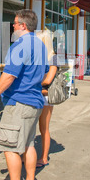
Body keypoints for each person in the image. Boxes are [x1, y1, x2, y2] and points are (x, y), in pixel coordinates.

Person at [0, 10, 49, 180]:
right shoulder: (40, 45)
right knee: (28, 144)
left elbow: (9, 75)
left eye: (15, 23)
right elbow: (46, 71)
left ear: (23, 25)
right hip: (35, 101)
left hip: (19, 102)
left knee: (11, 147)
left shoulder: (20, 46)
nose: (13, 26)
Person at [36, 30, 58, 169]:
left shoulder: (52, 57)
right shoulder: (38, 56)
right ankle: (29, 154)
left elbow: (48, 79)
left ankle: (44, 157)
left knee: (43, 128)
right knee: (31, 128)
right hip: (36, 93)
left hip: (45, 95)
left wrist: (32, 81)